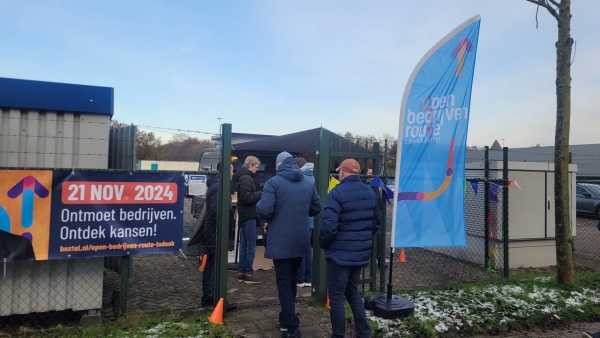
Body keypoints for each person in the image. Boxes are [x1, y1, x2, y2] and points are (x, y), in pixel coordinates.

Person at [257, 151, 322, 338]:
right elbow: (316, 207)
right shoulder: (307, 182)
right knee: (292, 281)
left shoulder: (273, 183)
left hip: (281, 241)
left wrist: (273, 216)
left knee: (284, 283)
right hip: (300, 240)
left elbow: (264, 209)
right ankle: (286, 317)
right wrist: (300, 213)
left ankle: (292, 328)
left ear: (278, 165)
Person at [320, 158, 380, 338]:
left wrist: (325, 244)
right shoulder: (370, 193)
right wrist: (361, 240)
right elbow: (376, 223)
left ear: (342, 172)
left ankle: (338, 336)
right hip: (359, 254)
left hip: (339, 256)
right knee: (353, 292)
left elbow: (328, 227)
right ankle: (364, 333)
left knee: (337, 297)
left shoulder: (336, 193)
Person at [190, 163, 236, 311]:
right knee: (214, 266)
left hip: (214, 232)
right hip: (216, 233)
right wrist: (225, 226)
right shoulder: (219, 187)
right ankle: (213, 297)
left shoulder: (216, 184)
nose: (233, 173)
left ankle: (211, 297)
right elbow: (216, 211)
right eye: (232, 170)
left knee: (212, 265)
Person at [233, 156, 263, 284]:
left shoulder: (242, 177)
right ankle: (248, 273)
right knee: (250, 244)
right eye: (256, 167)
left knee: (244, 244)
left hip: (244, 214)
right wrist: (261, 193)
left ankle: (242, 272)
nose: (257, 170)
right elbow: (247, 198)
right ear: (250, 165)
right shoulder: (246, 178)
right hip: (249, 214)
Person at [294, 157, 314, 288]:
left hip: (301, 219)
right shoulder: (313, 178)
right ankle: (309, 278)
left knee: (299, 251)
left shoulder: (300, 179)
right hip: (311, 220)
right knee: (308, 251)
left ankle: (300, 279)